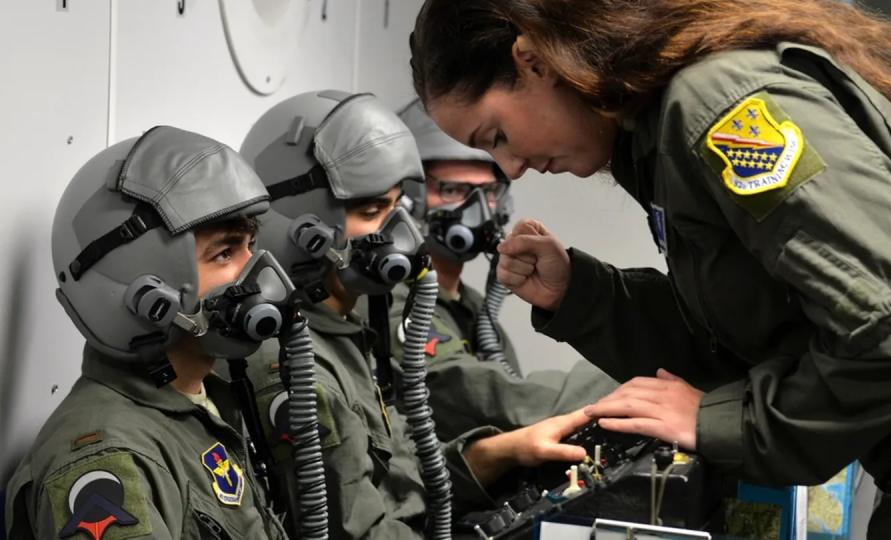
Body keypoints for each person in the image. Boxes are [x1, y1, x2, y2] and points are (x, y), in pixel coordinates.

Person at [408, 0, 891, 537]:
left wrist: (722, 421)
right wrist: (582, 296)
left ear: (535, 61)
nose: (511, 167)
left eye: (497, 136)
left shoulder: (717, 106)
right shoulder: (654, 134)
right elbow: (749, 339)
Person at [238, 90, 591, 539]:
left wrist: (502, 452)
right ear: (304, 231)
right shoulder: (297, 365)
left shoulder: (356, 332)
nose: (401, 233)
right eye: (372, 211)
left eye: (396, 207)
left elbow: (404, 482)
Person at [4, 126, 293, 539]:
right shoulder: (109, 460)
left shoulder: (208, 399)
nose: (261, 271)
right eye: (226, 252)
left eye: (251, 245)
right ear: (147, 295)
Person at [393, 98, 618, 441]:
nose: (477, 210)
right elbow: (497, 400)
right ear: (406, 199)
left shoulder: (469, 307)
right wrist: (634, 376)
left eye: (488, 193)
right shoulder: (393, 301)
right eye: (453, 190)